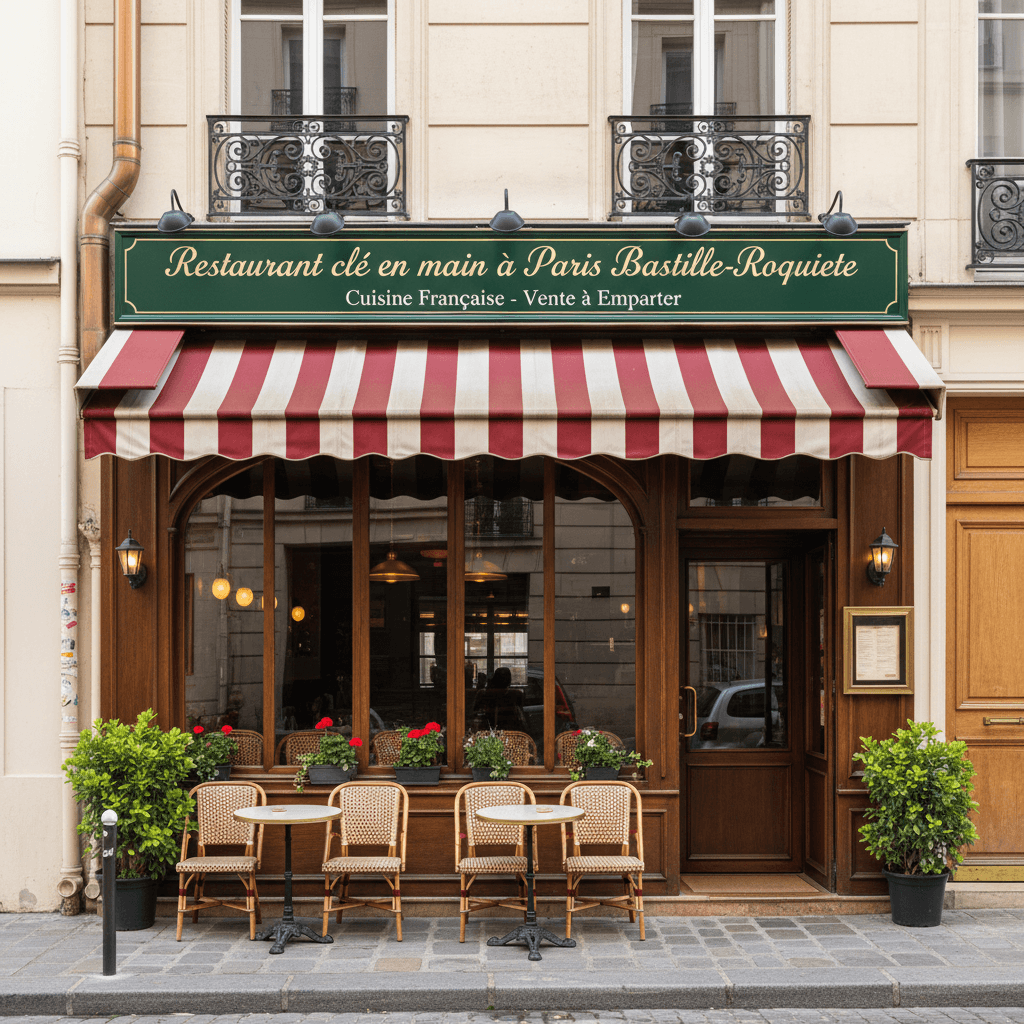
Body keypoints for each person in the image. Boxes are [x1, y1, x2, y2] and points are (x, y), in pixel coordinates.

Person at [472, 667, 527, 731]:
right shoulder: (516, 694)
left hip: (488, 728)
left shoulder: (482, 693)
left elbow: (474, 712)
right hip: (510, 729)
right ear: (509, 680)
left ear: (495, 678)